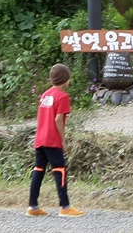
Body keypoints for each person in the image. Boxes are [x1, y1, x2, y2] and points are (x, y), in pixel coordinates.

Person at [27, 63, 82, 218]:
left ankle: (33, 206)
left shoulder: (45, 95)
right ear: (65, 80)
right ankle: (65, 207)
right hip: (52, 139)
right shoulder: (63, 97)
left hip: (40, 139)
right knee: (60, 171)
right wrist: (63, 141)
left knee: (38, 170)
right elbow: (58, 119)